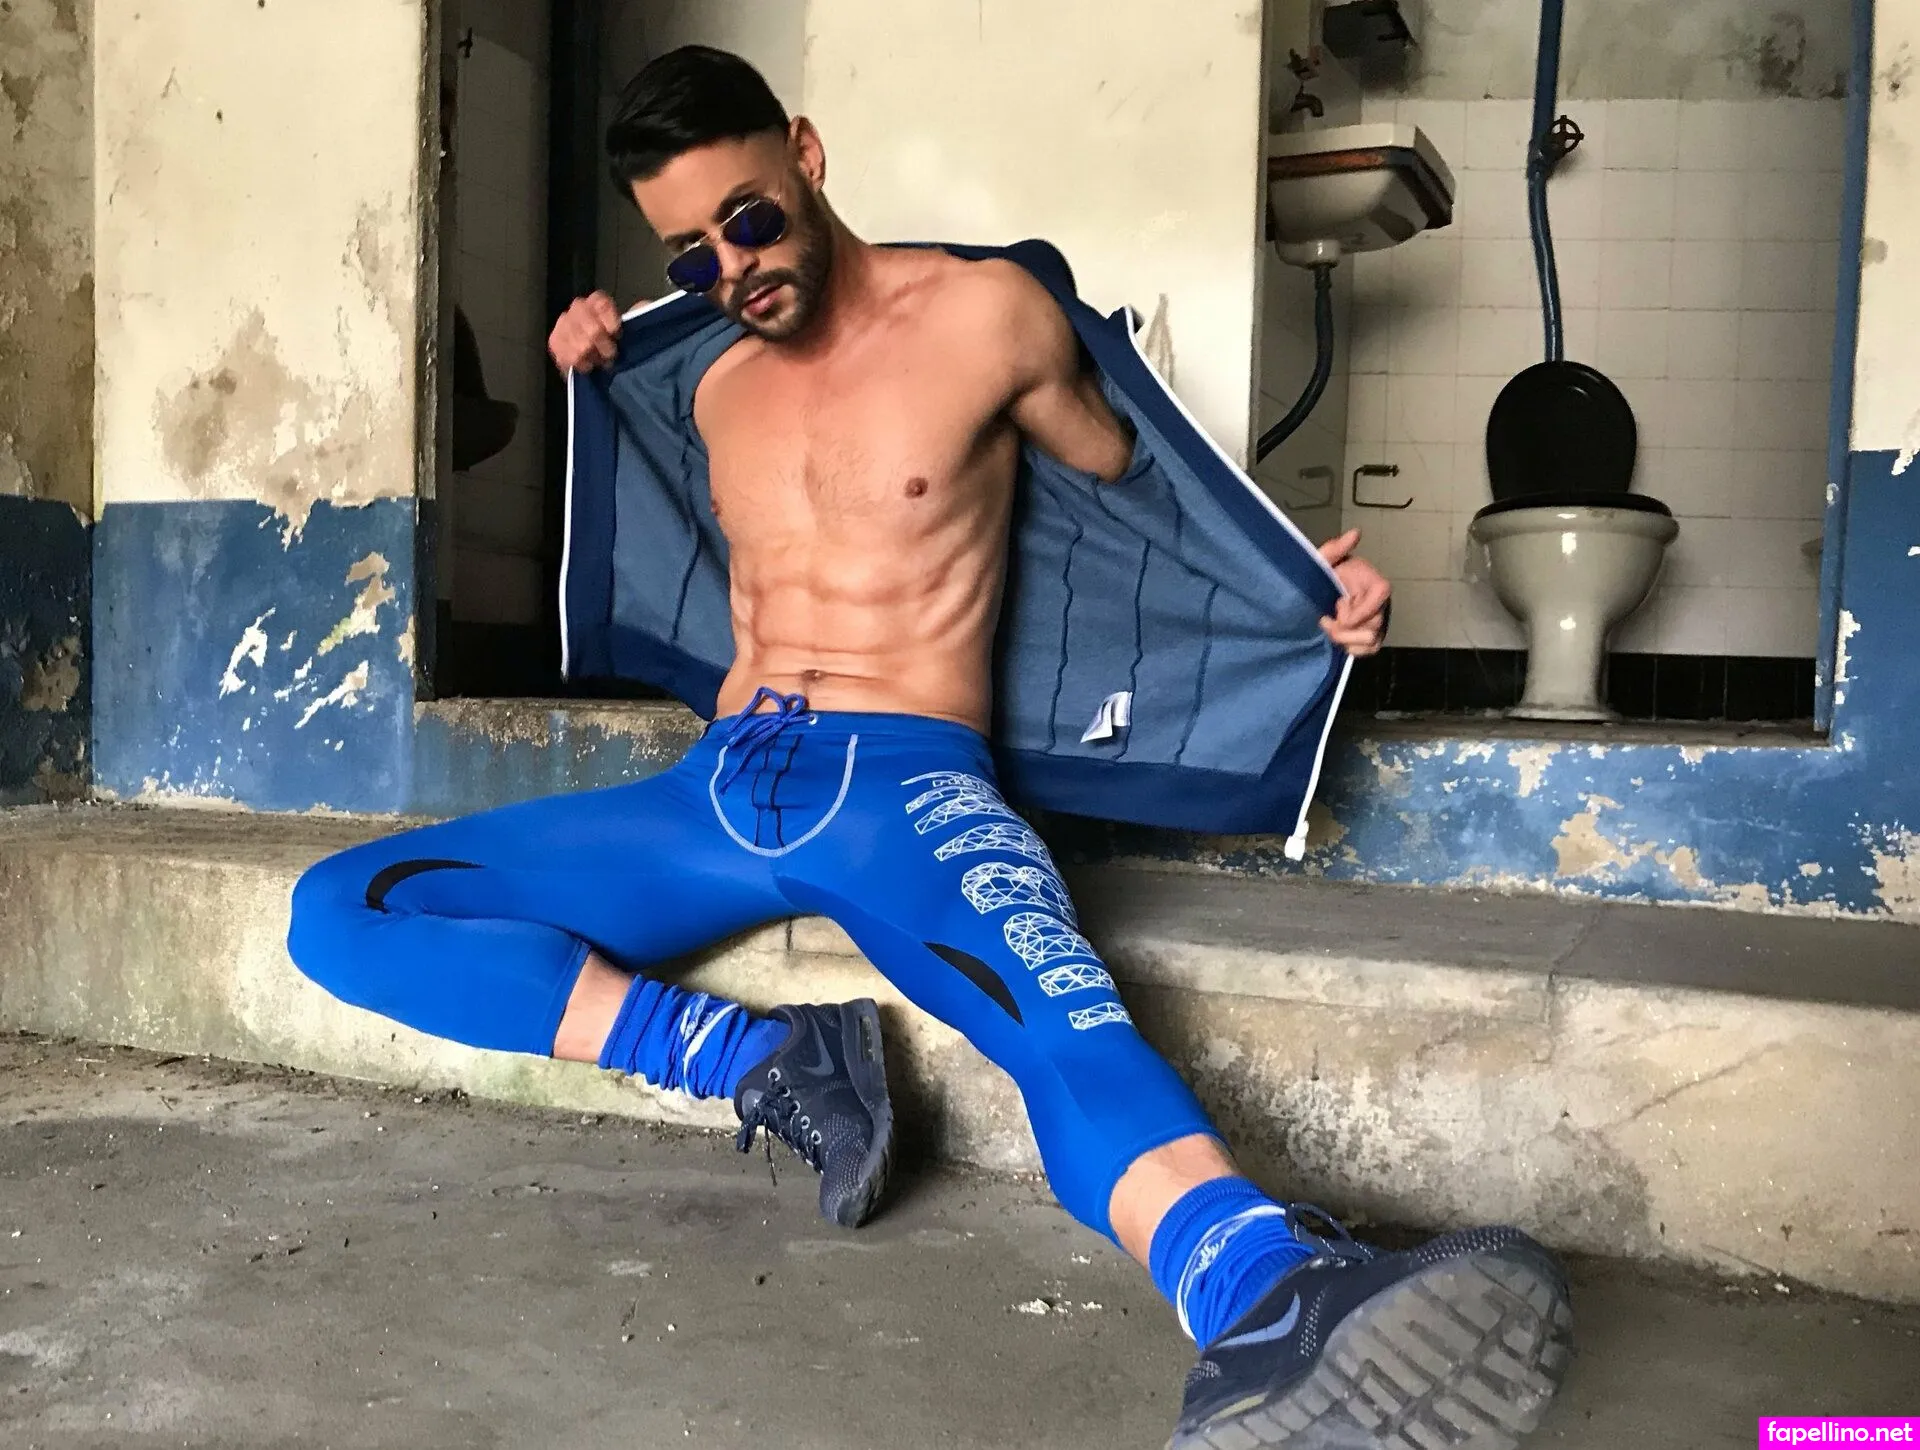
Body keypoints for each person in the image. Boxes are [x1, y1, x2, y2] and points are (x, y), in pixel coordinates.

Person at [288, 46, 1572, 1450]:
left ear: (806, 152)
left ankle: (1264, 1290)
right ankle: (761, 1058)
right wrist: (598, 361)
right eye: (692, 254)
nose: (733, 268)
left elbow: (1142, 491)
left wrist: (1298, 587)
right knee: (344, 910)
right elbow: (642, 452)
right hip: (721, 788)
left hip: (905, 786)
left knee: (1061, 1024)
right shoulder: (709, 382)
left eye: (750, 219)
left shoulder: (984, 316)